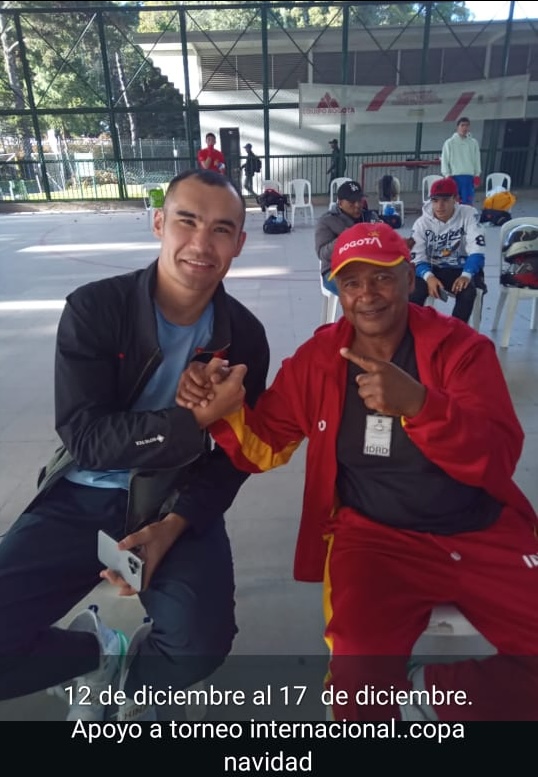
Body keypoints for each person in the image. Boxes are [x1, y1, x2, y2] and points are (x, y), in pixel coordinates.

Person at [177, 220, 538, 722]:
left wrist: (421, 406)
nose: (367, 294)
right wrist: (223, 408)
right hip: (376, 541)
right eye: (351, 282)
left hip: (481, 530)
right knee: (358, 696)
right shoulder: (319, 360)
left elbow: (498, 458)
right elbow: (264, 448)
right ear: (338, 291)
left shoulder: (460, 350)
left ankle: (427, 695)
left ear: (409, 278)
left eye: (382, 277)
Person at [0, 169, 270, 722]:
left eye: (221, 229)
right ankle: (94, 654)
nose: (201, 243)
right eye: (187, 221)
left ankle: (131, 681)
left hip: (173, 498)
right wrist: (190, 421)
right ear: (158, 223)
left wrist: (175, 525)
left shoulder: (244, 337)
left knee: (198, 647)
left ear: (239, 243)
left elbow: (236, 459)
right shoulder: (97, 308)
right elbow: (86, 438)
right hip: (82, 496)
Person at [408, 176, 486, 323]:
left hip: (460, 268)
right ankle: (413, 331)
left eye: (445, 200)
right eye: (435, 200)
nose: (439, 206)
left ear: (455, 199)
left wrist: (467, 274)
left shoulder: (468, 214)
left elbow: (478, 249)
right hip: (431, 267)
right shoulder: (421, 223)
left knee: (468, 292)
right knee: (413, 292)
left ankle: (455, 332)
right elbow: (416, 257)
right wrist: (429, 277)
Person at [316, 179, 379, 295]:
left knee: (394, 286)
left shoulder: (369, 217)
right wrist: (345, 239)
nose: (357, 205)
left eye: (359, 200)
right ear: (340, 203)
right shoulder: (327, 220)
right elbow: (322, 253)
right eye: (352, 202)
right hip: (335, 270)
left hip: (368, 267)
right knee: (361, 294)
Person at [441, 117, 481, 205]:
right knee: (454, 203)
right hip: (454, 177)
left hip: (469, 177)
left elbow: (477, 159)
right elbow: (445, 160)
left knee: (467, 203)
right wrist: (447, 175)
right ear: (457, 127)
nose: (464, 128)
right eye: (462, 125)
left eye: (467, 125)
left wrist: (477, 175)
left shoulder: (473, 143)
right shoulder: (449, 143)